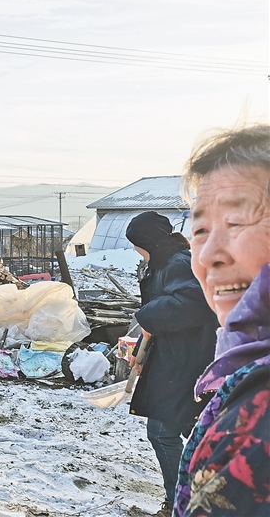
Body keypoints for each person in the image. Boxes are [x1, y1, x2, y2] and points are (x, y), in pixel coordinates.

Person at [173, 124, 270, 517]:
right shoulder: (244, 376)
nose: (209, 254)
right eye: (199, 230)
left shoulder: (258, 415)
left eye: (236, 223)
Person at [124, 211, 219, 517]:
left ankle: (181, 502)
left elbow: (192, 304)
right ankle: (196, 499)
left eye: (136, 243)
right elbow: (159, 319)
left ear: (147, 241)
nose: (135, 250)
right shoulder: (163, 263)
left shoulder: (178, 262)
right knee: (189, 430)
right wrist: (141, 352)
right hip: (174, 359)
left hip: (187, 362)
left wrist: (146, 317)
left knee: (163, 432)